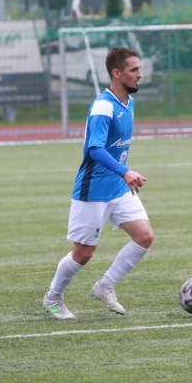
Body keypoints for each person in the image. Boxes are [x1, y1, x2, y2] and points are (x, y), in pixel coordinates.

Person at [42, 46, 154, 320]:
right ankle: (53, 298)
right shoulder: (103, 106)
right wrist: (125, 171)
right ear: (117, 73)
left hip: (118, 188)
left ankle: (105, 285)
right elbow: (95, 149)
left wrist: (121, 176)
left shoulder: (128, 102)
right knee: (83, 253)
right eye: (134, 70)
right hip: (93, 190)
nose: (140, 74)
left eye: (139, 68)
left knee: (144, 236)